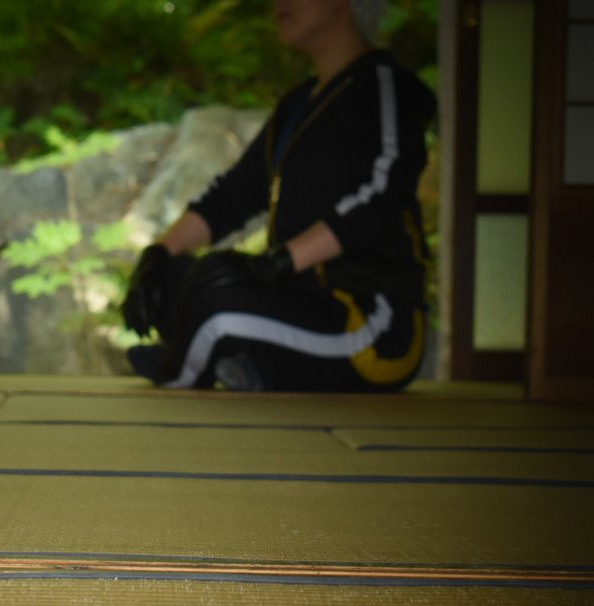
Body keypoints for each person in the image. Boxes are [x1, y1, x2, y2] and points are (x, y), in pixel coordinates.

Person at [122, 0, 435, 392]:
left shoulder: (384, 86)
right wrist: (155, 259)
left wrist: (278, 263)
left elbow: (383, 195)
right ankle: (247, 366)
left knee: (213, 300)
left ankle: (184, 372)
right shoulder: (298, 104)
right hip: (298, 298)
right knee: (174, 280)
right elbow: (234, 195)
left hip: (371, 323)